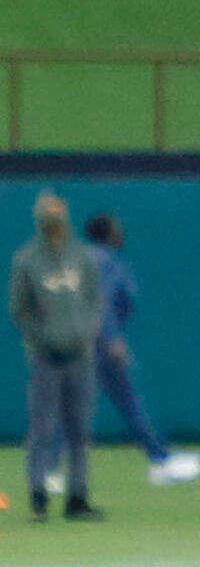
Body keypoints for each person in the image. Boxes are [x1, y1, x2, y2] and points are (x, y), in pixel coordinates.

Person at [73, 214, 200, 488]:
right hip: (99, 342)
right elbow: (101, 301)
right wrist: (112, 338)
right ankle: (161, 459)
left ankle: (49, 469)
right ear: (107, 233)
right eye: (117, 227)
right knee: (125, 400)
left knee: (79, 402)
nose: (122, 231)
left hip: (80, 338)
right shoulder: (105, 261)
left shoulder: (85, 258)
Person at [10, 191, 104, 522]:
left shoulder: (81, 257)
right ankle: (38, 495)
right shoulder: (27, 260)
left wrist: (88, 329)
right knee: (42, 427)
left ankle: (77, 496)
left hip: (79, 354)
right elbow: (19, 308)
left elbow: (95, 298)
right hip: (46, 356)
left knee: (80, 428)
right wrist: (40, 337)